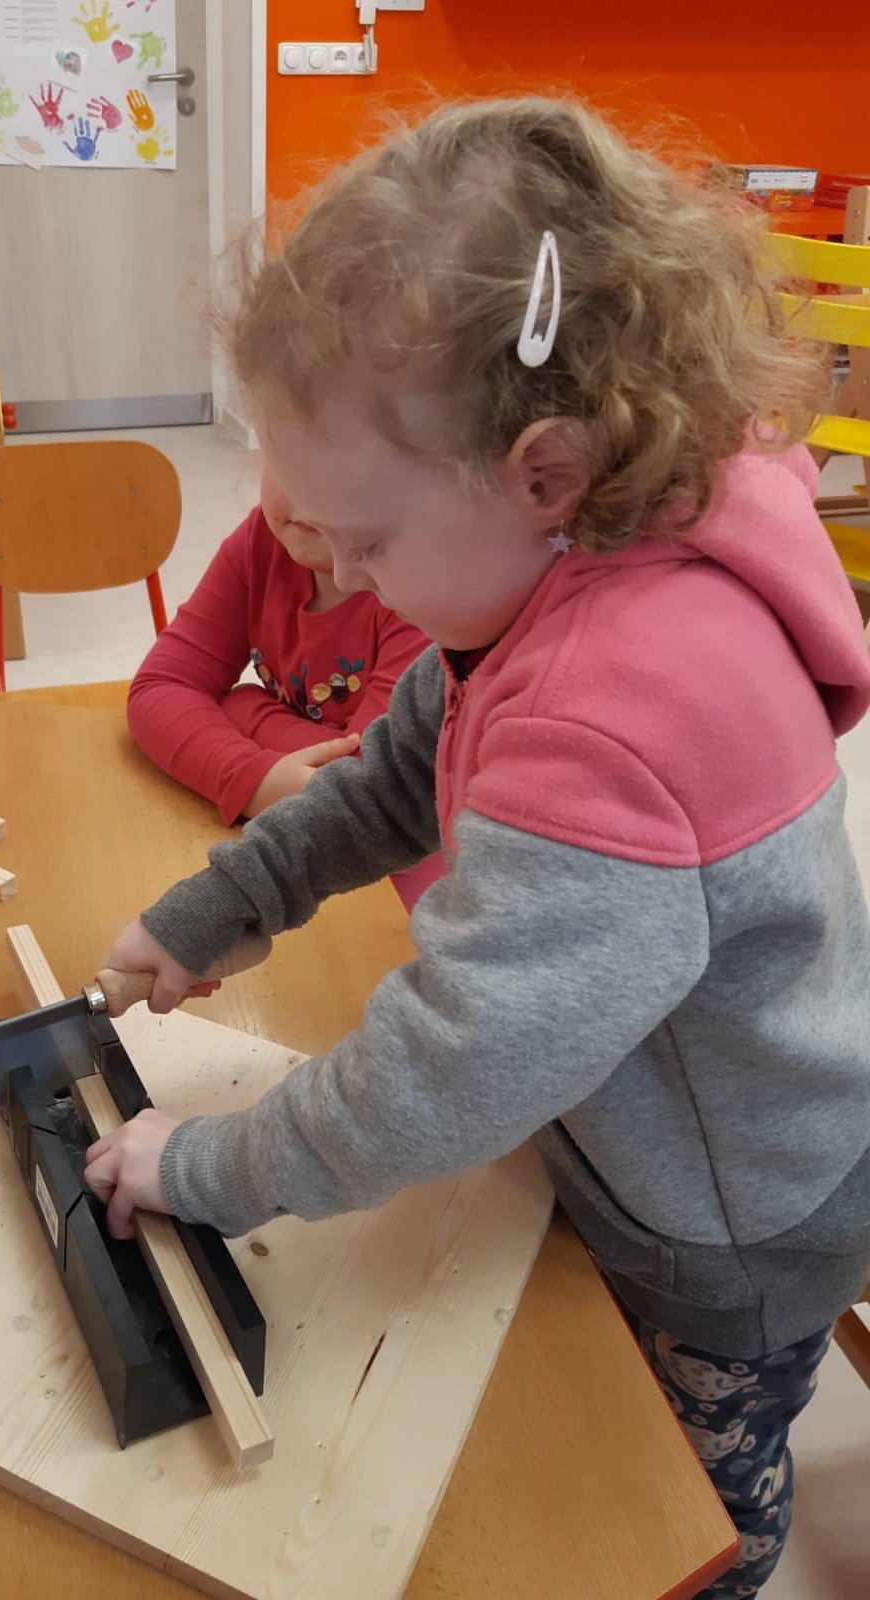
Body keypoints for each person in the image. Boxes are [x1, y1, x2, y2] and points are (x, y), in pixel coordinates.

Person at [83, 98, 870, 1596]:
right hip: (641, 1134)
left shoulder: (609, 707)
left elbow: (454, 1067)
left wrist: (218, 1164)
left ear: (544, 471)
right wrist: (215, 909)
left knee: (679, 1514)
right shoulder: (566, 563)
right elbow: (402, 769)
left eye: (366, 543)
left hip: (724, 1233)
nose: (336, 574)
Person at [126, 469, 445, 907]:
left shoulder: (425, 585)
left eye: (339, 466)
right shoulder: (264, 538)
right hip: (305, 861)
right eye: (284, 462)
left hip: (408, 894)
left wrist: (246, 710)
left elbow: (370, 793)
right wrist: (257, 779)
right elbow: (161, 686)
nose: (306, 491)